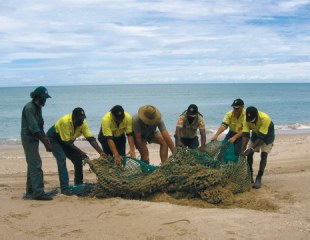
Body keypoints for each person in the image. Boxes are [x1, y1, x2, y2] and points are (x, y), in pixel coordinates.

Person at [47, 107, 105, 195]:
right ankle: (64, 188)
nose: (81, 121)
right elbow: (67, 142)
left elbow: (90, 138)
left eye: (82, 119)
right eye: (79, 119)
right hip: (54, 139)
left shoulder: (83, 123)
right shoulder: (65, 121)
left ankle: (78, 184)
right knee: (61, 159)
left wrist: (101, 152)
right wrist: (80, 151)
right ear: (73, 118)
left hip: (67, 141)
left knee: (78, 159)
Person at [21, 86, 53, 200]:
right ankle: (39, 193)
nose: (45, 101)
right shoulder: (29, 108)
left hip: (34, 138)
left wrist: (45, 138)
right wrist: (45, 142)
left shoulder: (38, 107)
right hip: (28, 139)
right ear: (37, 97)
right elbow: (34, 128)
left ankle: (30, 192)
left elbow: (40, 126)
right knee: (36, 164)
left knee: (32, 164)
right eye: (43, 98)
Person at [241, 106, 275, 189]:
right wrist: (242, 150)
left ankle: (259, 177)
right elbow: (245, 135)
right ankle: (250, 175)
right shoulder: (246, 119)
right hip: (256, 134)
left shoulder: (265, 118)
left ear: (256, 116)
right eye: (249, 120)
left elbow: (262, 137)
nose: (250, 121)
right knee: (249, 154)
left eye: (252, 119)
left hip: (267, 135)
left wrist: (251, 148)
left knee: (264, 155)